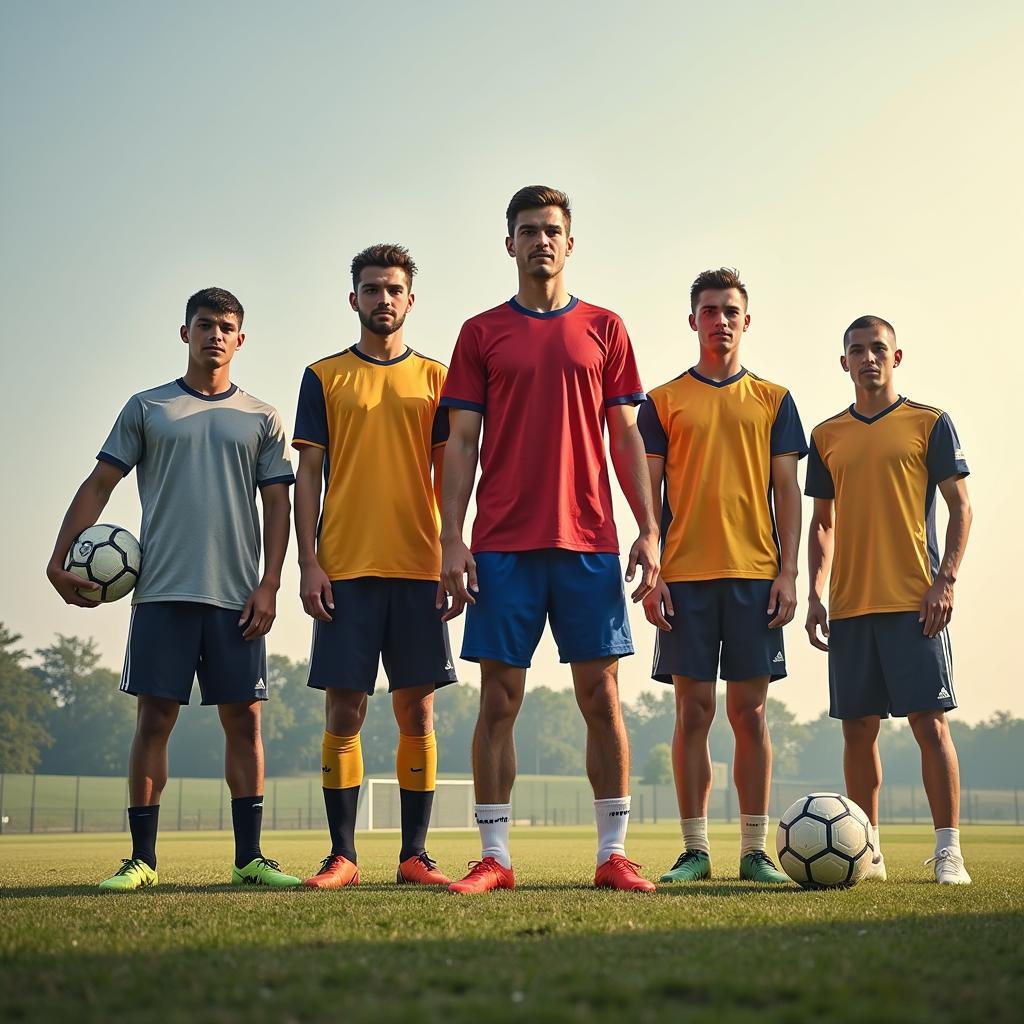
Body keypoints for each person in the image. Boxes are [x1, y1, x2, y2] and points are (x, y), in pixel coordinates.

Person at [439, 185, 659, 894]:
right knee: (499, 701)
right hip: (502, 541)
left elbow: (627, 436)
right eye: (528, 230)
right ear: (509, 244)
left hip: (589, 539)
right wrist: (450, 536)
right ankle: (495, 857)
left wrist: (649, 527)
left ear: (570, 242)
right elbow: (462, 440)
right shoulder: (480, 333)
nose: (541, 240)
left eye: (552, 230)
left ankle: (613, 854)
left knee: (601, 698)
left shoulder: (606, 327)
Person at [46, 287, 299, 890]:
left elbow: (278, 505)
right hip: (161, 593)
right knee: (154, 720)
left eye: (227, 326)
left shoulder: (262, 417)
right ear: (184, 333)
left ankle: (249, 859)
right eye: (205, 324)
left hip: (237, 596)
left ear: (242, 339)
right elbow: (100, 482)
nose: (216, 334)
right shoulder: (147, 407)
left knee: (246, 723)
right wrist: (58, 559)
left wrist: (270, 584)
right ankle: (142, 860)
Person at [293, 244, 457, 889]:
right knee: (344, 711)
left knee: (417, 713)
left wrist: (454, 551)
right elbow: (308, 475)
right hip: (346, 568)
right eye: (371, 289)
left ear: (410, 300)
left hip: (419, 568)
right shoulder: (323, 376)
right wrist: (308, 562)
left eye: (394, 290)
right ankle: (343, 856)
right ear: (353, 298)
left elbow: (454, 475)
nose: (383, 299)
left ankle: (414, 856)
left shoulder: (438, 379)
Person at [639, 268, 806, 884]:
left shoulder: (775, 400)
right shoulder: (661, 401)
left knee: (751, 715)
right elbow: (648, 496)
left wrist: (789, 571)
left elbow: (788, 492)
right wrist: (654, 570)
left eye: (731, 310)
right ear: (693, 321)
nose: (721, 320)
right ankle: (695, 851)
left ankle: (755, 852)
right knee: (693, 712)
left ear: (747, 318)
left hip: (754, 575)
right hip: (683, 577)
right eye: (709, 311)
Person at [805, 315, 972, 884]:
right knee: (858, 729)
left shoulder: (930, 423)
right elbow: (821, 524)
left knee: (930, 724)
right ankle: (866, 851)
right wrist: (815, 595)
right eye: (858, 350)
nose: (869, 358)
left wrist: (944, 581)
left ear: (897, 358)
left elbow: (961, 507)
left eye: (879, 349)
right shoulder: (826, 435)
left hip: (914, 602)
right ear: (844, 362)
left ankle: (948, 851)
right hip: (851, 608)